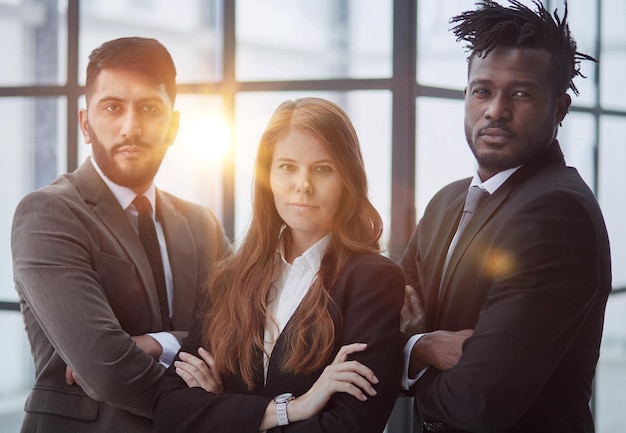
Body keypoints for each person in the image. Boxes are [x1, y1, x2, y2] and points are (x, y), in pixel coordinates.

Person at [400, 1, 611, 432]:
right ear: (466, 97)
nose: (495, 109)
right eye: (483, 91)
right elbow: (374, 319)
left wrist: (400, 357)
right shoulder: (446, 202)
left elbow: (478, 402)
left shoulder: (557, 214)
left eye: (520, 93)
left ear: (559, 108)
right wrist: (421, 348)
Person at [11, 37, 230, 433]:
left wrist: (155, 342)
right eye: (112, 107)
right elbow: (104, 367)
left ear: (173, 125)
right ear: (85, 123)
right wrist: (201, 395)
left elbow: (244, 336)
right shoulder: (47, 214)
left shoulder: (203, 225)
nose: (131, 127)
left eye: (149, 108)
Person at [153, 97, 404, 433]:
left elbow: (348, 426)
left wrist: (220, 408)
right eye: (287, 167)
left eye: (323, 169)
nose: (303, 184)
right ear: (267, 177)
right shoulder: (230, 277)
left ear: (348, 180)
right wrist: (291, 409)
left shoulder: (373, 280)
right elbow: (170, 410)